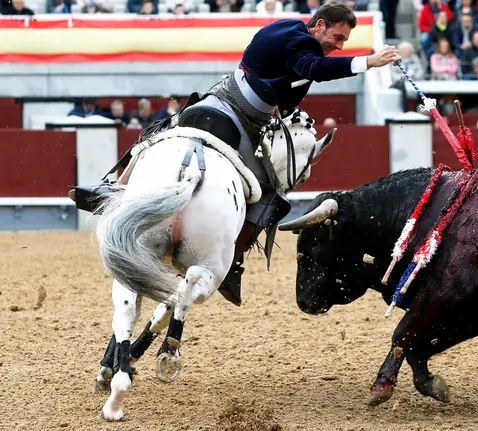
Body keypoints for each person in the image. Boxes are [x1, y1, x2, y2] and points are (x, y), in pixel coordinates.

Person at [69, 1, 401, 306]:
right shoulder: (303, 44)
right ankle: (232, 262)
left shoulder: (286, 29)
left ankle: (112, 186)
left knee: (156, 136)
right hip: (240, 122)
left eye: (344, 42)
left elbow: (286, 79)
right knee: (270, 191)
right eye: (338, 37)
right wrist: (367, 63)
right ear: (320, 25)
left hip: (213, 100)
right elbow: (313, 69)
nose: (339, 46)